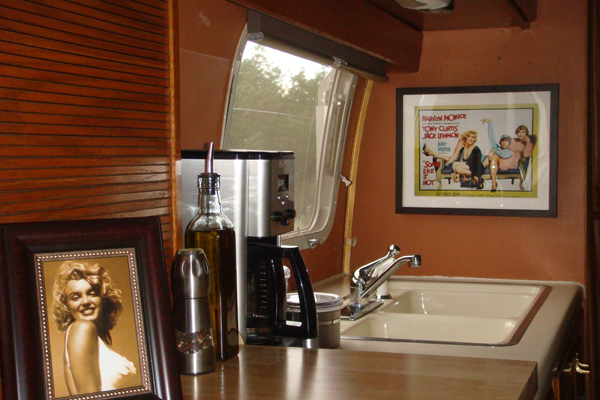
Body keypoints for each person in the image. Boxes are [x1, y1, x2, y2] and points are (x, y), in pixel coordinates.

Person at [52, 261, 137, 395]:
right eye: (76, 297)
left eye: (92, 293)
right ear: (66, 305)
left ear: (103, 298)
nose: (85, 301)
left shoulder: (96, 338)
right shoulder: (82, 328)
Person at [482, 122, 535, 193]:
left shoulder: (528, 144)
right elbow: (502, 147)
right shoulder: (512, 140)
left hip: (512, 162)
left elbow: (525, 155)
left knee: (492, 156)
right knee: (493, 156)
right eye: (519, 132)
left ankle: (479, 172)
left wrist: (527, 143)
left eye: (523, 132)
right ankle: (494, 183)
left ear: (526, 133)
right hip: (502, 157)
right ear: (516, 133)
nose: (520, 134)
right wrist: (494, 150)